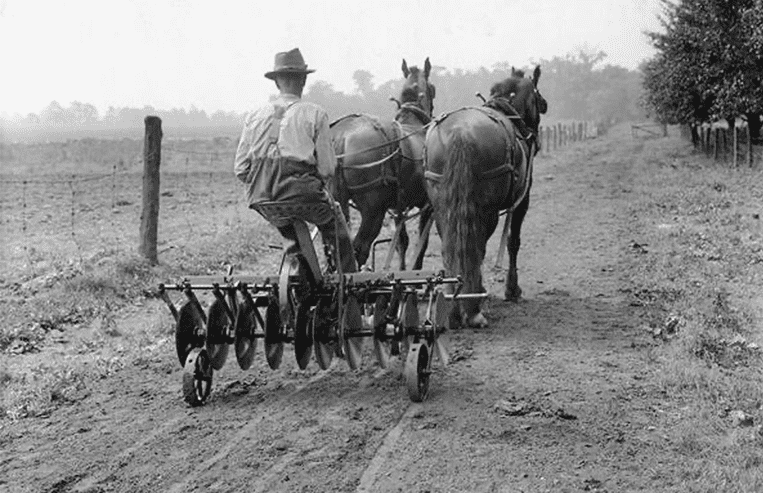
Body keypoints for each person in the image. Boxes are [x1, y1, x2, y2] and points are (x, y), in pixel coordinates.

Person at [234, 48, 357, 274]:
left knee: (289, 229)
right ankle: (349, 282)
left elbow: (241, 169)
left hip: (262, 199)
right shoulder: (315, 113)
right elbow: (328, 169)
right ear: (303, 80)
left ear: (276, 82)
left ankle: (302, 274)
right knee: (336, 227)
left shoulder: (254, 115)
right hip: (303, 195)